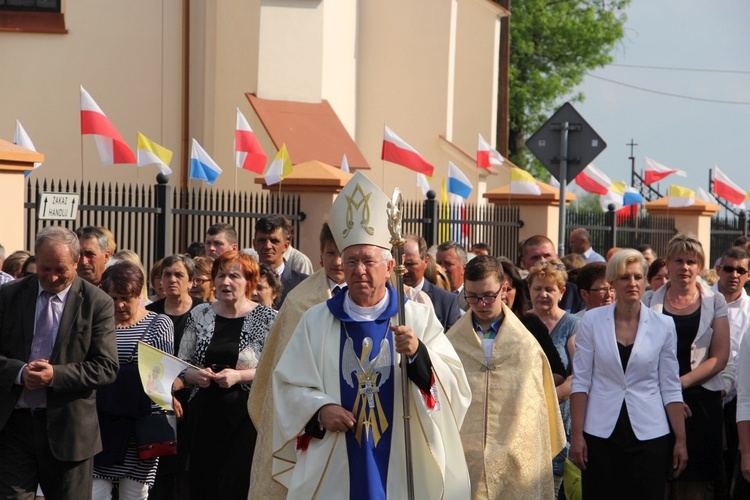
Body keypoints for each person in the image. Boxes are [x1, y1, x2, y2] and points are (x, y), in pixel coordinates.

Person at [272, 172, 471, 498]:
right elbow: (289, 385)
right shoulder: (316, 320)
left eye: (368, 261)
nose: (358, 270)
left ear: (390, 265)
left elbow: (454, 385)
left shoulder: (416, 317)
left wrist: (417, 352)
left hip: (404, 455)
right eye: (351, 261)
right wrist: (321, 410)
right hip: (337, 454)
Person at [0, 226, 119, 498]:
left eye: (61, 270)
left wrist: (54, 375)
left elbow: (106, 366)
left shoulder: (96, 303)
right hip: (13, 426)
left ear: (76, 262)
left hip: (69, 430)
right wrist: (19, 372)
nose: (52, 277)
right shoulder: (10, 296)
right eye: (45, 269)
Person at [570, 249, 687, 499]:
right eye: (624, 277)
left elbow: (670, 385)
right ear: (611, 282)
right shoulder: (591, 321)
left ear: (645, 281)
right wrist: (577, 435)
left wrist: (681, 439)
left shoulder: (664, 325)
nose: (631, 283)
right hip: (600, 433)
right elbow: (581, 381)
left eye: (637, 277)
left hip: (650, 433)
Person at [447, 255, 566, 498]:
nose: (480, 303)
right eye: (472, 296)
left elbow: (536, 406)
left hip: (515, 455)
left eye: (488, 295)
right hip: (465, 455)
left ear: (503, 289)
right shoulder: (451, 343)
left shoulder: (526, 343)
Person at [248, 222, 346, 499]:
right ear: (320, 256)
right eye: (331, 253)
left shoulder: (374, 300)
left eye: (344, 253)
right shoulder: (300, 301)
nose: (338, 262)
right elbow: (282, 370)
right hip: (311, 421)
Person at [175, 251, 276, 499]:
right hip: (204, 418)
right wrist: (194, 376)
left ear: (249, 282)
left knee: (237, 486)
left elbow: (276, 369)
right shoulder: (200, 314)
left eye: (234, 276)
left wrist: (238, 377)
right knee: (203, 485)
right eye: (220, 275)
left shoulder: (267, 318)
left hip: (246, 418)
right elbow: (180, 364)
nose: (226, 282)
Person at [643, 232, 730, 499]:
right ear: (667, 264)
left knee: (695, 484)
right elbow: (642, 354)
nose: (684, 267)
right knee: (657, 479)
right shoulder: (648, 301)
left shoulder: (715, 301)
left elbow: (720, 356)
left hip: (701, 401)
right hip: (655, 398)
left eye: (691, 262)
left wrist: (680, 384)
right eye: (678, 261)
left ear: (700, 266)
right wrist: (667, 391)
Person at [93, 261, 174, 500]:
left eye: (125, 298)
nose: (119, 305)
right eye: (112, 297)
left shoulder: (158, 323)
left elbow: (158, 376)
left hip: (140, 430)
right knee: (95, 494)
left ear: (139, 294)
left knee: (135, 495)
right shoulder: (97, 324)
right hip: (102, 427)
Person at [145, 255, 203, 500]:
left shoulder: (204, 313)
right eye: (166, 274)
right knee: (161, 473)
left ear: (191, 282)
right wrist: (164, 394)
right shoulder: (150, 314)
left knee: (189, 471)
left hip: (195, 399)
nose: (171, 279)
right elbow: (146, 360)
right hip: (157, 399)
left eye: (179, 275)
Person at [527, 259, 581, 494]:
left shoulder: (572, 325)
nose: (543, 294)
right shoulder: (520, 321)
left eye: (550, 289)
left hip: (560, 422)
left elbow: (577, 375)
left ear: (562, 291)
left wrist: (544, 401)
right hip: (525, 420)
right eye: (537, 288)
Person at [712, 247, 750, 490]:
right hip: (703, 393)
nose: (734, 274)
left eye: (740, 270)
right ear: (718, 270)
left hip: (737, 399)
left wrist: (728, 386)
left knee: (733, 464)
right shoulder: (703, 301)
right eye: (728, 268)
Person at [403, 235, 460, 331]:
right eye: (399, 264)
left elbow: (452, 342)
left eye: (410, 264)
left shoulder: (446, 302)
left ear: (425, 261)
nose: (404, 270)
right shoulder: (384, 297)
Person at [252, 215, 307, 307]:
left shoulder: (302, 283)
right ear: (254, 244)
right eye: (262, 240)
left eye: (274, 241)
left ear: (286, 246)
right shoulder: (244, 280)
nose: (267, 246)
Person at [520, 235, 585, 313]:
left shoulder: (574, 292)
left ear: (557, 258)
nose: (542, 261)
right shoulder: (517, 292)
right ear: (524, 263)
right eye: (535, 257)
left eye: (547, 256)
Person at [436, 240, 469, 310]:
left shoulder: (471, 299)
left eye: (448, 264)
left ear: (464, 269)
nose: (442, 269)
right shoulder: (430, 295)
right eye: (439, 263)